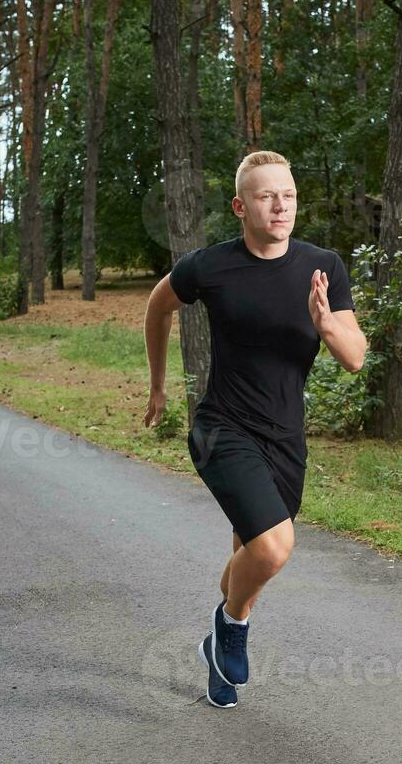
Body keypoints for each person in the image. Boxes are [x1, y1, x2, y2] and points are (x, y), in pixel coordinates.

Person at [141, 151, 367, 708]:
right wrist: (158, 385)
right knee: (272, 549)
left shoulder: (323, 267)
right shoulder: (211, 266)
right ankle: (232, 628)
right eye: (267, 197)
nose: (281, 206)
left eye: (288, 195)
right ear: (242, 206)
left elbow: (356, 358)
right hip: (222, 428)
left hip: (286, 437)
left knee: (251, 558)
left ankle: (217, 655)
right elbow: (157, 306)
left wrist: (327, 326)